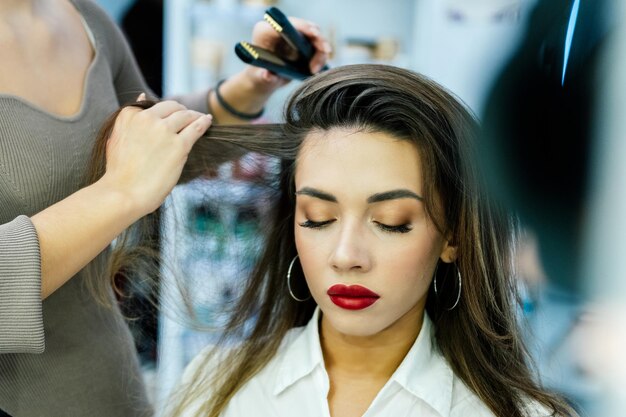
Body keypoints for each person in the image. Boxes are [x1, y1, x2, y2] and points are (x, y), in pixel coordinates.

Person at [91, 64, 576, 417]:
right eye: (319, 218)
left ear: (452, 237)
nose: (346, 257)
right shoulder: (215, 385)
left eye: (391, 221)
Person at [0, 0, 329, 415]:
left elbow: (156, 153)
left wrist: (254, 84)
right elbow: (131, 177)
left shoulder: (86, 20)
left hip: (110, 386)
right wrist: (119, 192)